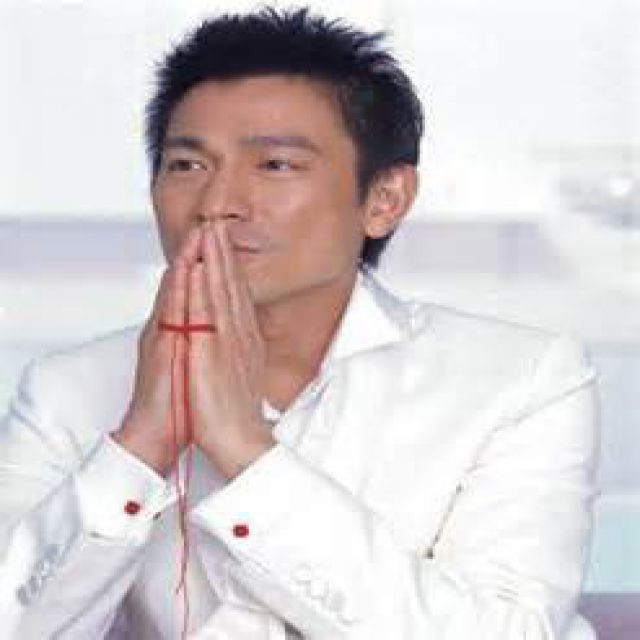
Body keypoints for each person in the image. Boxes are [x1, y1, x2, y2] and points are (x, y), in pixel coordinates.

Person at [0, 6, 598, 639]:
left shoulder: (521, 379)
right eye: (187, 165)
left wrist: (243, 449)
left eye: (275, 165)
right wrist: (139, 447)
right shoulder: (66, 390)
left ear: (384, 199)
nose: (217, 204)